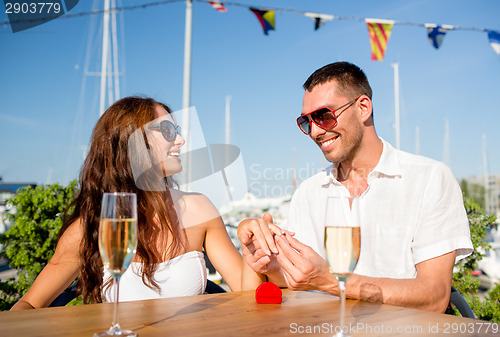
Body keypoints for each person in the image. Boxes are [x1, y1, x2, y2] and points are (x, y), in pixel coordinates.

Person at [238, 61, 473, 313]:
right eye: (306, 122)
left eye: (324, 116)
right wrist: (266, 260)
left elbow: (434, 297)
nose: (315, 131)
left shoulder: (429, 179)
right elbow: (304, 280)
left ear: (363, 108)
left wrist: (332, 281)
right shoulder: (309, 192)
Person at [11, 96, 242, 310]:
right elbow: (30, 304)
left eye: (176, 130)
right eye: (168, 130)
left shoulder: (199, 209)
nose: (180, 140)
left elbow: (246, 289)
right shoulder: (92, 227)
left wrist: (255, 251)